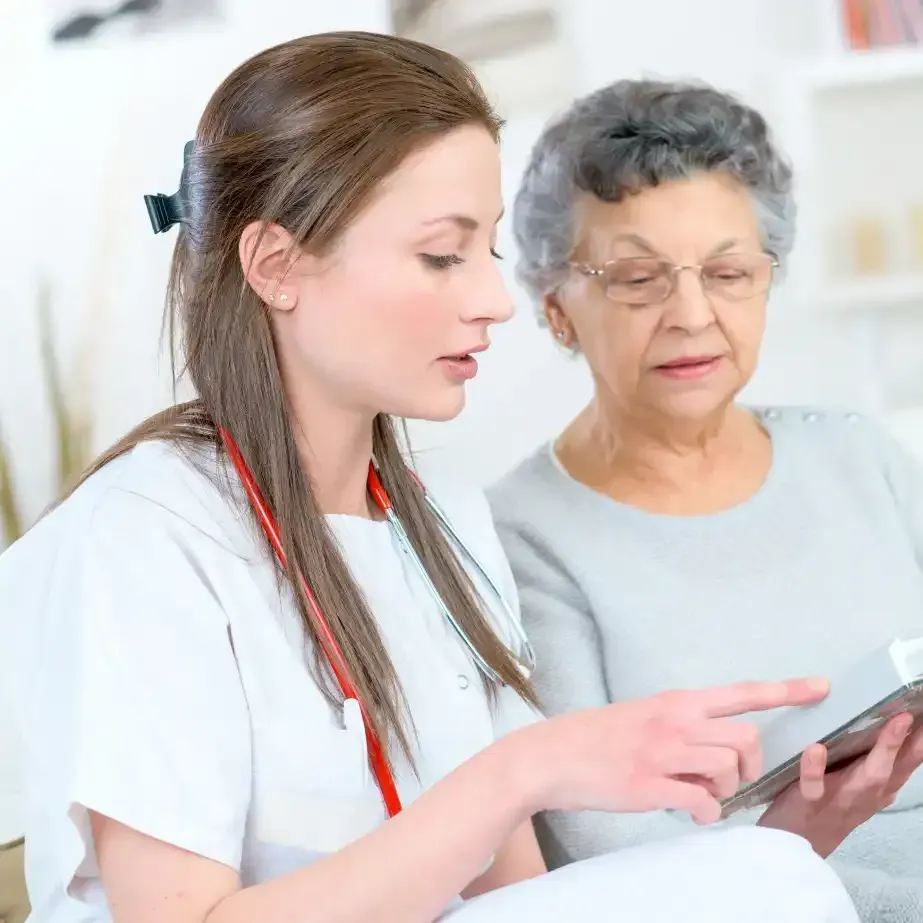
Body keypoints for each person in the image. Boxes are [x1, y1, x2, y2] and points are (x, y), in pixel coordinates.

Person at [0, 35, 860, 923]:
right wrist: (525, 768)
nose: (492, 298)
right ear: (275, 264)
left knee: (767, 870)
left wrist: (785, 837)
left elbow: (522, 903)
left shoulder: (443, 528)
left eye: (487, 250)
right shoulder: (147, 534)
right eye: (443, 256)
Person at [486, 77, 923, 922]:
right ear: (554, 307)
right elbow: (611, 857)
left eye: (726, 272)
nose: (691, 315)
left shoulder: (857, 452)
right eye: (638, 277)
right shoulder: (519, 538)